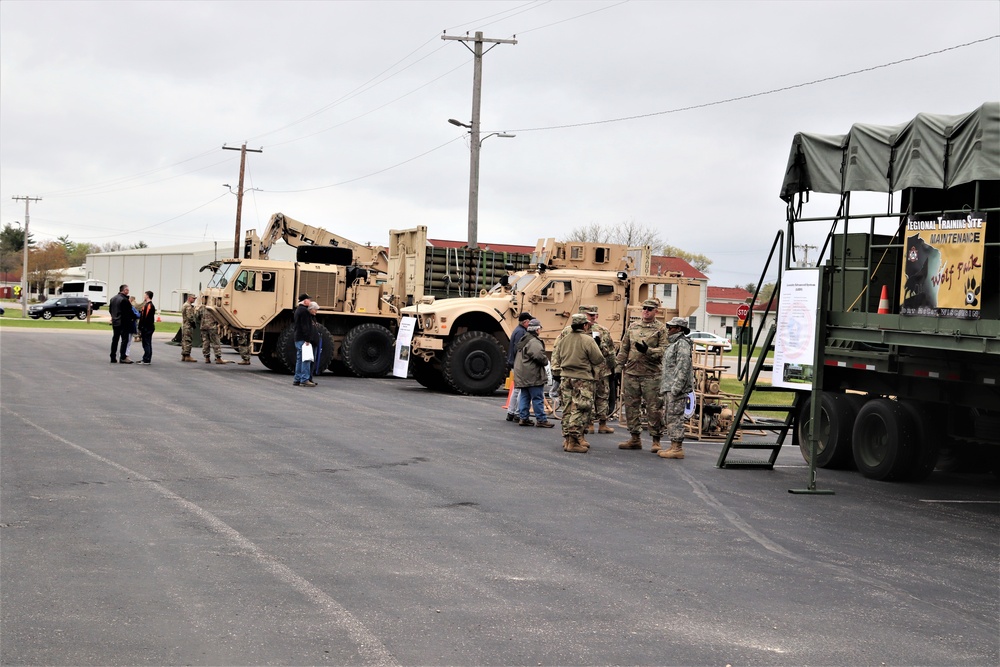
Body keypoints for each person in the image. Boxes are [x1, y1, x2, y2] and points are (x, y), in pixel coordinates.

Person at [615, 299, 668, 452]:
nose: (646, 311)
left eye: (649, 309)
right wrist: (618, 368)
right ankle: (634, 438)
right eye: (644, 308)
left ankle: (656, 440)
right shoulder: (633, 327)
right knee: (631, 407)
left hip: (651, 375)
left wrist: (648, 351)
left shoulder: (660, 329)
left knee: (654, 408)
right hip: (632, 373)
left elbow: (665, 350)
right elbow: (624, 349)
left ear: (655, 311)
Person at [551, 313, 605, 453]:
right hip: (582, 379)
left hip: (565, 378)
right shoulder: (587, 340)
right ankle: (574, 441)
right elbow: (598, 359)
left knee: (567, 409)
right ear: (585, 325)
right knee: (579, 409)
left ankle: (568, 439)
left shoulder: (564, 340)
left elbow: (557, 357)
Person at [658, 317, 696, 460]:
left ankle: (677, 448)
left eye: (671, 327)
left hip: (676, 388)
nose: (669, 329)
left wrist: (676, 388)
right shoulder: (673, 344)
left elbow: (683, 367)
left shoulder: (682, 344)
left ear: (679, 329)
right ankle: (673, 445)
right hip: (670, 386)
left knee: (675, 416)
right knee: (670, 415)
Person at [513, 318, 554, 428]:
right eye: (540, 328)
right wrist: (546, 361)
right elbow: (539, 356)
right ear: (537, 329)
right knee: (537, 397)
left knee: (525, 396)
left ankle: (523, 418)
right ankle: (541, 419)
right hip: (532, 374)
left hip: (522, 373)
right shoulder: (534, 341)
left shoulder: (524, 339)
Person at [505, 312, 533, 422]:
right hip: (518, 364)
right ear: (525, 322)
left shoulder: (517, 330)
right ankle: (517, 412)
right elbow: (519, 349)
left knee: (516, 389)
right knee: (520, 389)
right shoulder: (521, 332)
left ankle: (511, 412)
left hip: (514, 363)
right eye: (529, 321)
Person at [108, 284, 136, 363]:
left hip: (115, 322)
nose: (128, 291)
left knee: (115, 339)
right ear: (124, 290)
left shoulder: (113, 299)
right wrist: (134, 316)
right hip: (123, 323)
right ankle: (123, 357)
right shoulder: (124, 300)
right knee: (124, 340)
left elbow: (110, 310)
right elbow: (128, 312)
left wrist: (113, 317)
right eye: (128, 290)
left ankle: (113, 356)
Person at [199, 296, 231, 365]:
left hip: (203, 327)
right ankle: (218, 358)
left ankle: (207, 358)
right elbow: (218, 317)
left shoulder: (202, 307)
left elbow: (198, 316)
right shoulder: (213, 308)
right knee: (216, 342)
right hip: (212, 327)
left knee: (205, 342)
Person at [292, 293, 316, 387]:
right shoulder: (304, 311)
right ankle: (304, 379)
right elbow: (305, 326)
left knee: (299, 359)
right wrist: (307, 339)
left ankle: (297, 379)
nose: (310, 302)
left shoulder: (298, 310)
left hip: (297, 337)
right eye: (309, 300)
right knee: (306, 359)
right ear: (305, 301)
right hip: (303, 338)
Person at [137, 290, 156, 365]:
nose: (144, 296)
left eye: (145, 295)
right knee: (146, 343)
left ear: (147, 296)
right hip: (147, 327)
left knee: (146, 343)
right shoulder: (147, 305)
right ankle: (146, 358)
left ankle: (147, 359)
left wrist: (142, 326)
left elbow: (146, 317)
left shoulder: (149, 305)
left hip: (147, 327)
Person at [180, 294, 199, 362]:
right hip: (188, 325)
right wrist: (193, 323)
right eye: (193, 298)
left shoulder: (185, 305)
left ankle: (184, 355)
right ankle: (187, 355)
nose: (194, 300)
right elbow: (190, 317)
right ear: (189, 298)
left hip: (185, 325)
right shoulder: (188, 306)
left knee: (184, 340)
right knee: (188, 340)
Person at [307, 301, 322, 383]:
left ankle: (310, 377)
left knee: (313, 360)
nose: (316, 311)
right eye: (315, 309)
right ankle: (308, 378)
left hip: (314, 342)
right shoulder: (309, 318)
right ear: (311, 309)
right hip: (311, 342)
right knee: (309, 360)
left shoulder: (313, 318)